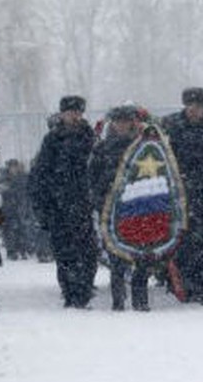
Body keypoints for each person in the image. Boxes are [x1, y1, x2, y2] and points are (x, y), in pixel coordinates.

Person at [30, 95, 97, 308]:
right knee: (64, 252)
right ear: (62, 114)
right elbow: (41, 176)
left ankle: (84, 290)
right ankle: (70, 292)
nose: (74, 116)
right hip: (59, 207)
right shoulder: (52, 140)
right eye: (70, 112)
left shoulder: (89, 138)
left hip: (83, 204)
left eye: (77, 112)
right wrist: (44, 206)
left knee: (87, 252)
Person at [164, 87, 203, 304]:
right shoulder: (170, 128)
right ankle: (182, 288)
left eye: (198, 106)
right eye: (190, 105)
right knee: (180, 244)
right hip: (178, 197)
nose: (193, 110)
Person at [89, 105, 147, 310]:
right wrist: (100, 201)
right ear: (112, 123)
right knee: (116, 257)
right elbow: (93, 179)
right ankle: (118, 300)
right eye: (118, 121)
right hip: (111, 208)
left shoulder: (143, 147)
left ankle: (141, 299)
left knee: (141, 257)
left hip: (137, 207)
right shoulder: (102, 148)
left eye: (126, 121)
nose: (122, 125)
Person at [0, 159, 35, 261]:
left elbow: (26, 190)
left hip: (20, 207)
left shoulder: (22, 177)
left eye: (15, 166)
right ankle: (11, 251)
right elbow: (2, 189)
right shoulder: (4, 177)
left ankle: (22, 250)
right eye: (12, 166)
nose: (14, 169)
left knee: (22, 229)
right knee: (9, 230)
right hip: (8, 208)